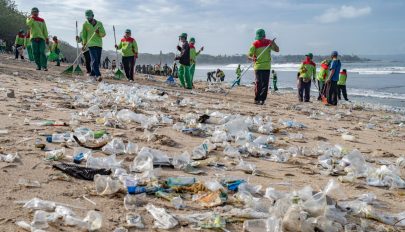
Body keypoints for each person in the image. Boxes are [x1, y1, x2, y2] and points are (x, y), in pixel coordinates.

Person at [248, 28, 279, 105]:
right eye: (259, 38)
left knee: (265, 84)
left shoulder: (269, 42)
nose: (261, 39)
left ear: (264, 36)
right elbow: (248, 56)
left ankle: (262, 100)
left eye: (262, 37)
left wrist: (273, 43)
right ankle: (257, 99)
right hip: (258, 66)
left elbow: (277, 50)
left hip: (266, 67)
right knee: (258, 83)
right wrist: (252, 58)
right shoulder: (255, 44)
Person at [82, 10, 106, 81]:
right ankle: (98, 75)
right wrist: (84, 44)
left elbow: (103, 34)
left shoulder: (99, 24)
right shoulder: (85, 24)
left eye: (90, 17)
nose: (88, 19)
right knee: (94, 60)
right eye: (87, 18)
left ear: (93, 16)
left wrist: (98, 33)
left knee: (97, 61)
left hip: (99, 44)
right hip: (91, 44)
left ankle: (92, 73)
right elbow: (84, 35)